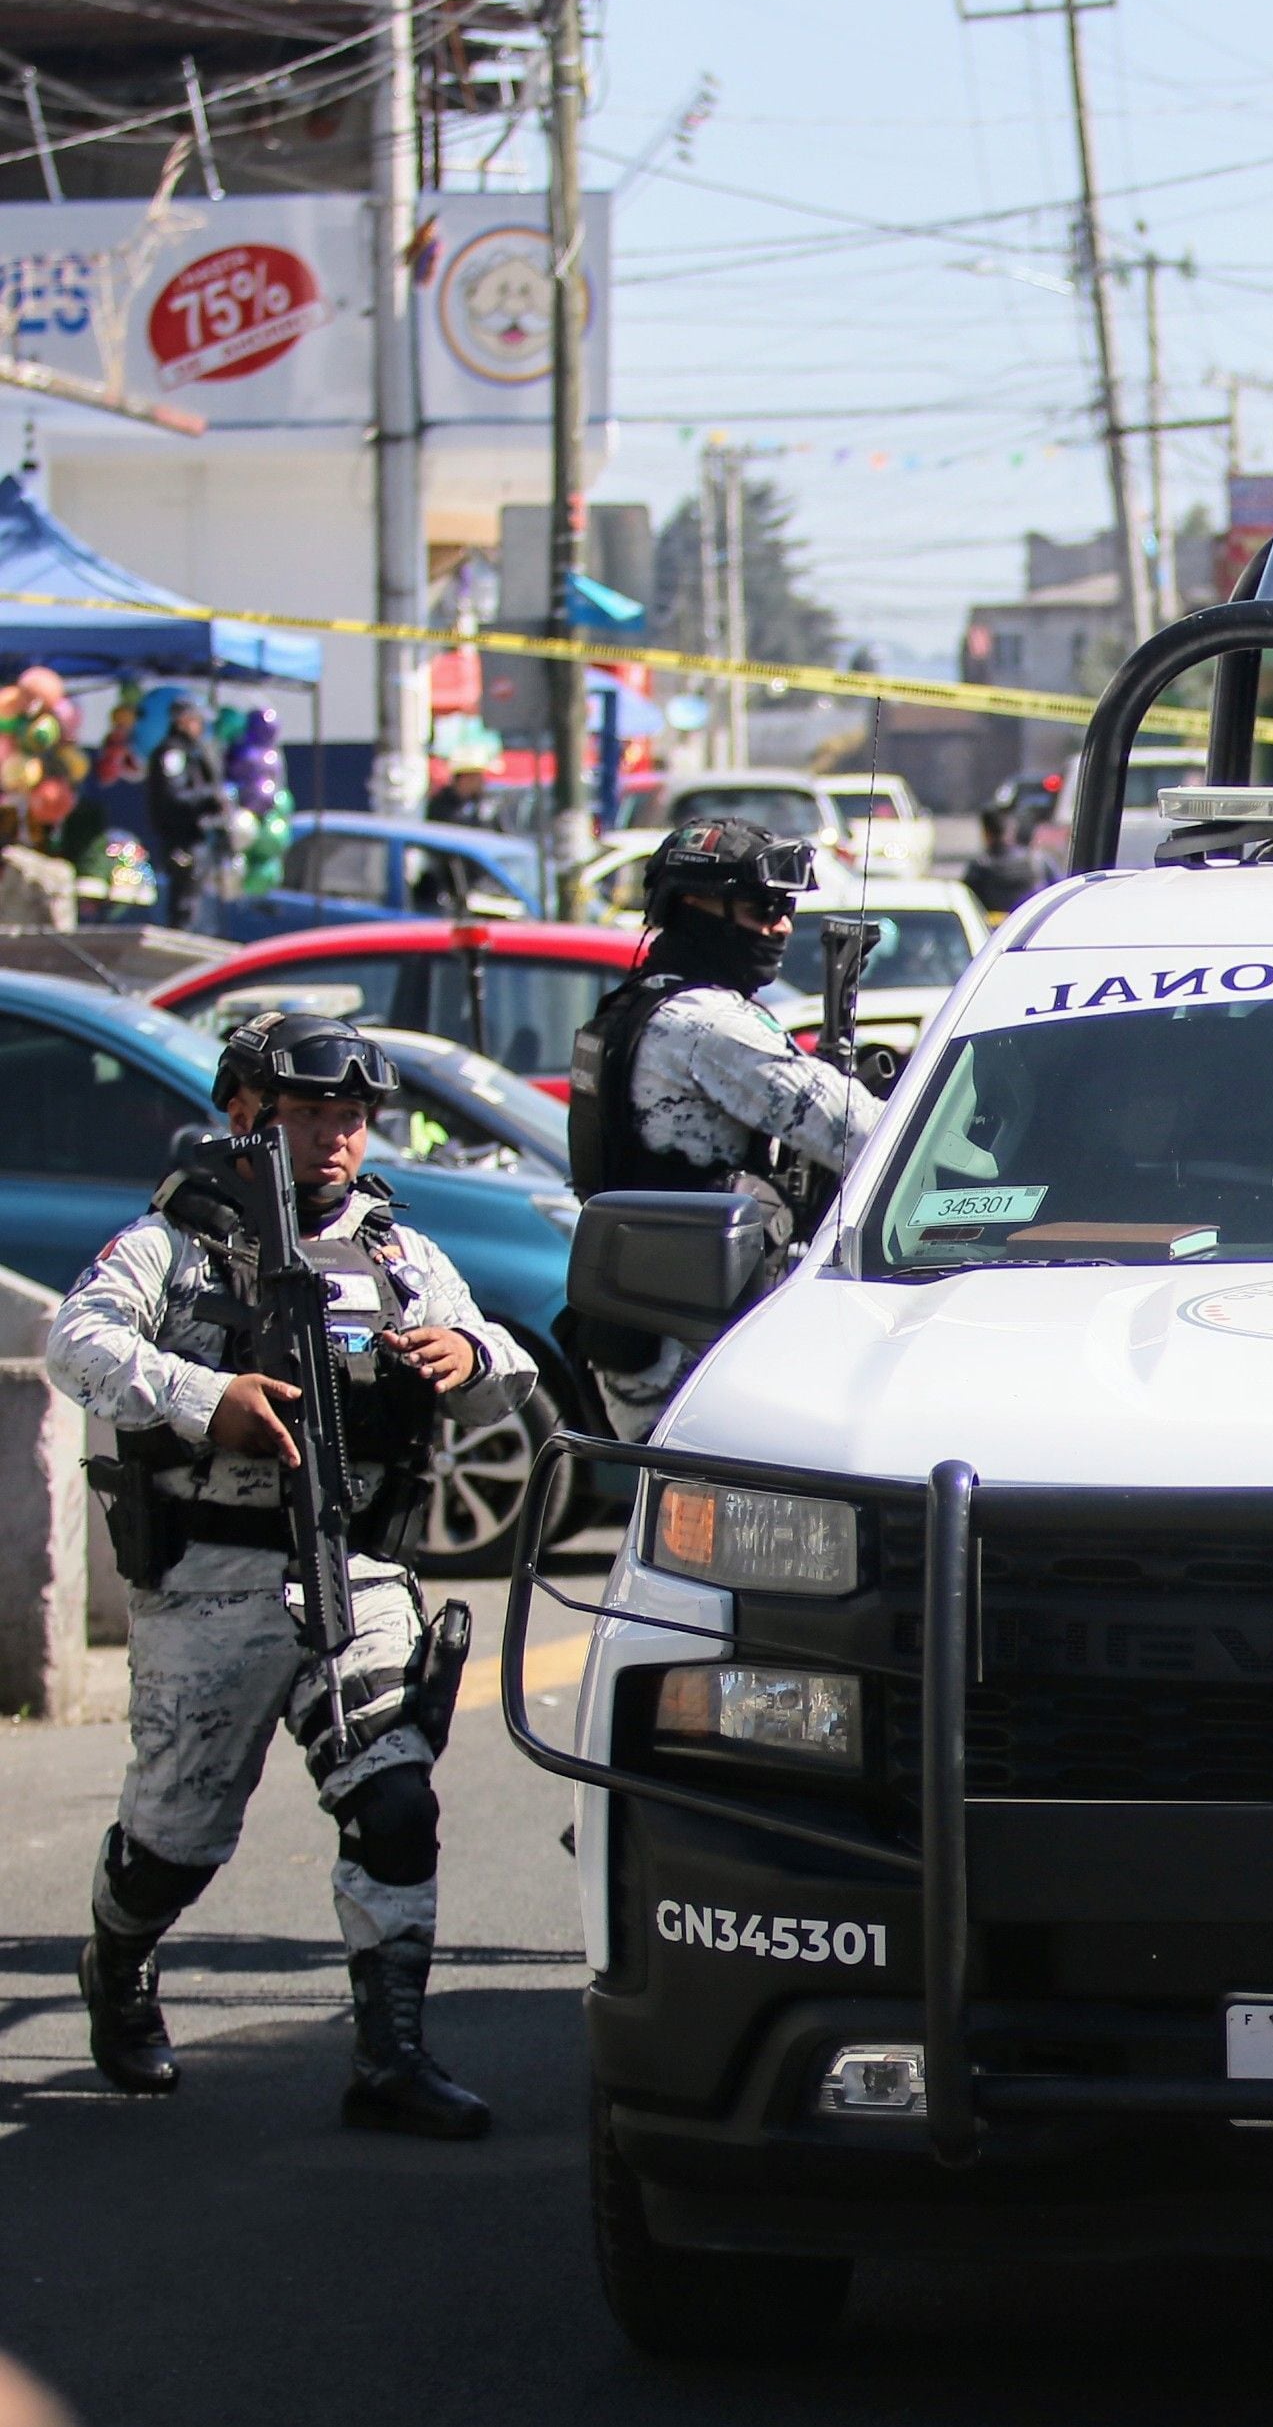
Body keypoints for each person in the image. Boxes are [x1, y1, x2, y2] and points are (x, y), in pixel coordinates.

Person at [49, 1011, 537, 2134]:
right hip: (212, 1577)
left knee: (397, 1799)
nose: (334, 1140)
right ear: (244, 1113)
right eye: (310, 1113)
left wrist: (466, 1359)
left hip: (354, 1567)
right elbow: (81, 1340)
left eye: (353, 1119)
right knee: (175, 1840)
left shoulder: (397, 1252)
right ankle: (116, 1965)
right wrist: (200, 1396)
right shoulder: (169, 1242)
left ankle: (390, 2056)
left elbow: (500, 1365)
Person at [568, 821, 883, 1438]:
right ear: (694, 907)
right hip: (688, 1342)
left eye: (786, 909)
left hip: (648, 1319)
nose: (781, 926)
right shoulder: (706, 1025)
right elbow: (864, 1137)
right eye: (761, 908)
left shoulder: (639, 1003)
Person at [141, 692, 220, 927]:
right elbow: (173, 797)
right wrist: (209, 796)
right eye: (197, 720)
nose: (201, 727)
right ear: (183, 720)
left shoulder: (193, 753)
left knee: (196, 902)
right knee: (184, 904)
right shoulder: (173, 753)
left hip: (196, 837)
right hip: (180, 839)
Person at [962, 794, 1056, 917]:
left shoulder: (979, 868)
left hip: (994, 933)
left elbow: (966, 904)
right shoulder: (1038, 861)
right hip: (1034, 930)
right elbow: (1060, 893)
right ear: (1011, 830)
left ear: (986, 833)